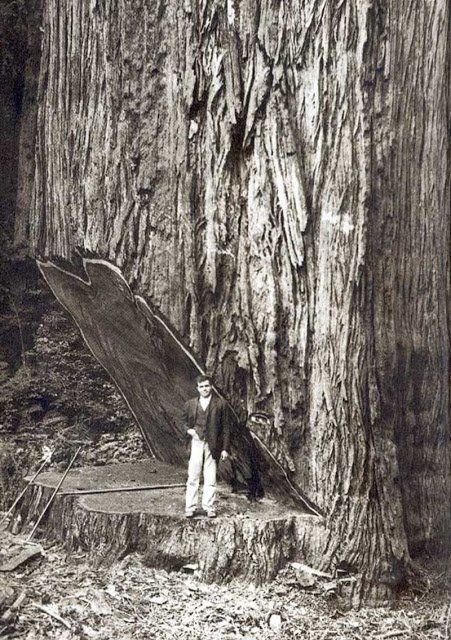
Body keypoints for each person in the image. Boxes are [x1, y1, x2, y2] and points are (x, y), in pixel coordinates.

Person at [182, 375, 230, 518]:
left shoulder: (220, 404)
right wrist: (189, 430)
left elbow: (226, 428)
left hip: (213, 444)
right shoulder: (190, 404)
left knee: (210, 477)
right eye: (202, 386)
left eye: (207, 386)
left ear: (211, 387)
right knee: (193, 476)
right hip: (196, 442)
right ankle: (190, 507)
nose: (205, 389)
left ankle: (209, 507)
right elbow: (183, 422)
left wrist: (225, 448)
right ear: (197, 388)